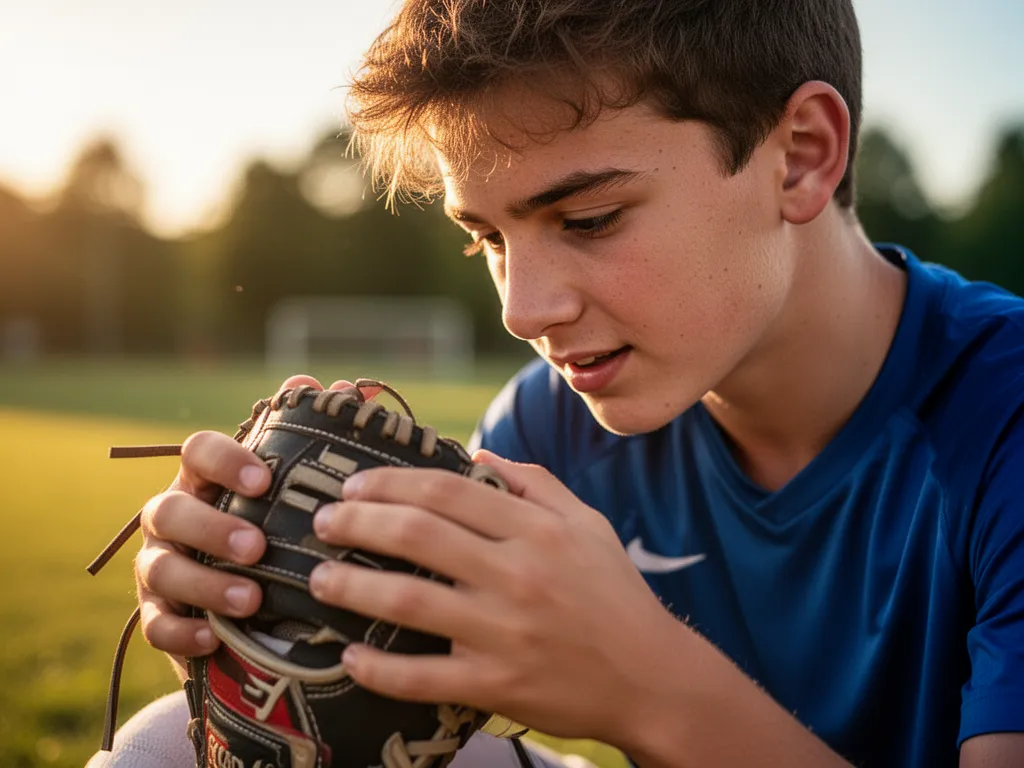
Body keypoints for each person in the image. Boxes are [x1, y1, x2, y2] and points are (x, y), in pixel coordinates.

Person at [92, 0, 1024, 766]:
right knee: (165, 752)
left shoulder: (1004, 415)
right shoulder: (550, 424)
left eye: (588, 218)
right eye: (488, 239)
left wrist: (648, 683)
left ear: (804, 154)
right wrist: (264, 608)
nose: (522, 311)